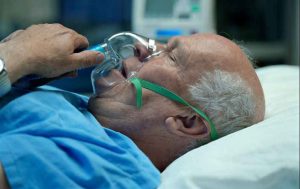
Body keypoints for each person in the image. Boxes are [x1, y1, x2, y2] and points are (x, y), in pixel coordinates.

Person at [0, 24, 265, 189]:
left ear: (188, 122)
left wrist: (13, 58)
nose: (140, 47)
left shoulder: (103, 168)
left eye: (171, 56)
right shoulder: (88, 117)